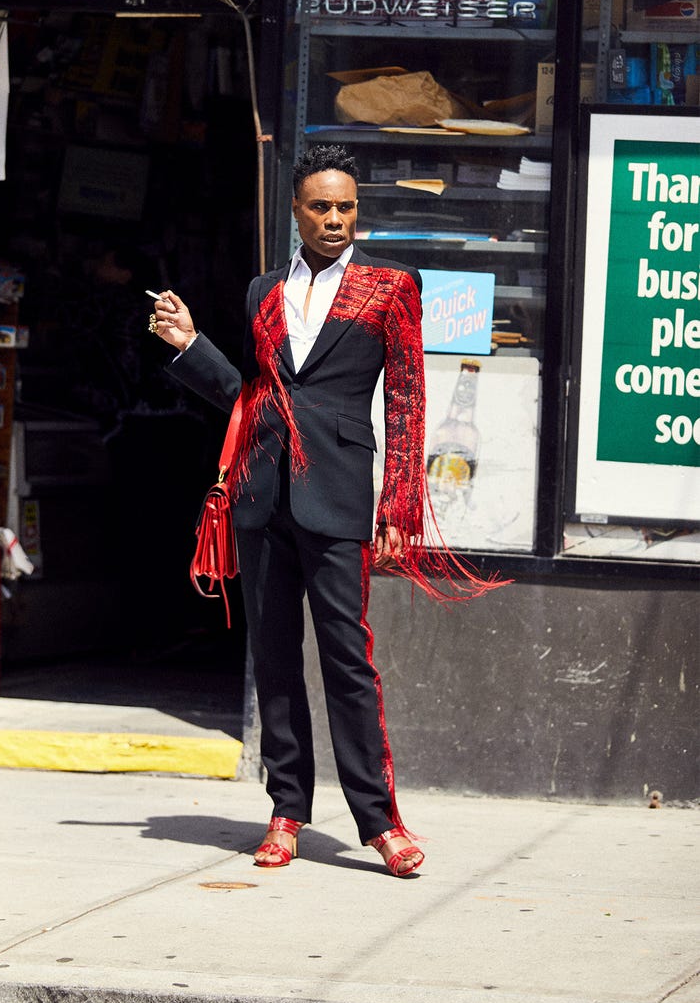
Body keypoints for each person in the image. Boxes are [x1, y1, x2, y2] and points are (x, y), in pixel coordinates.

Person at [150, 143, 501, 877]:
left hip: (339, 495)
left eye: (346, 206)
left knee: (348, 659)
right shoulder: (263, 292)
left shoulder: (390, 287)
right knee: (273, 659)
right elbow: (252, 398)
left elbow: (406, 399)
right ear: (297, 211)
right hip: (262, 495)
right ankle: (286, 811)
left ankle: (379, 821)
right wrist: (191, 348)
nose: (335, 218)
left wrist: (401, 502)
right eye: (321, 206)